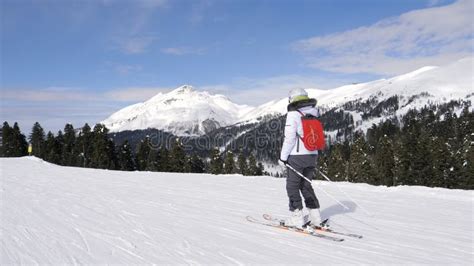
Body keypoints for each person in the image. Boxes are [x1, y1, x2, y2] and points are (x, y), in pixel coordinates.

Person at [279, 88, 322, 229]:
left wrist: (283, 157)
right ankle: (316, 217)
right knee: (306, 185)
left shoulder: (293, 114)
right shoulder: (314, 112)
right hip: (312, 154)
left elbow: (290, 138)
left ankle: (297, 217)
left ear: (292, 99)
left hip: (297, 157)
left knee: (292, 186)